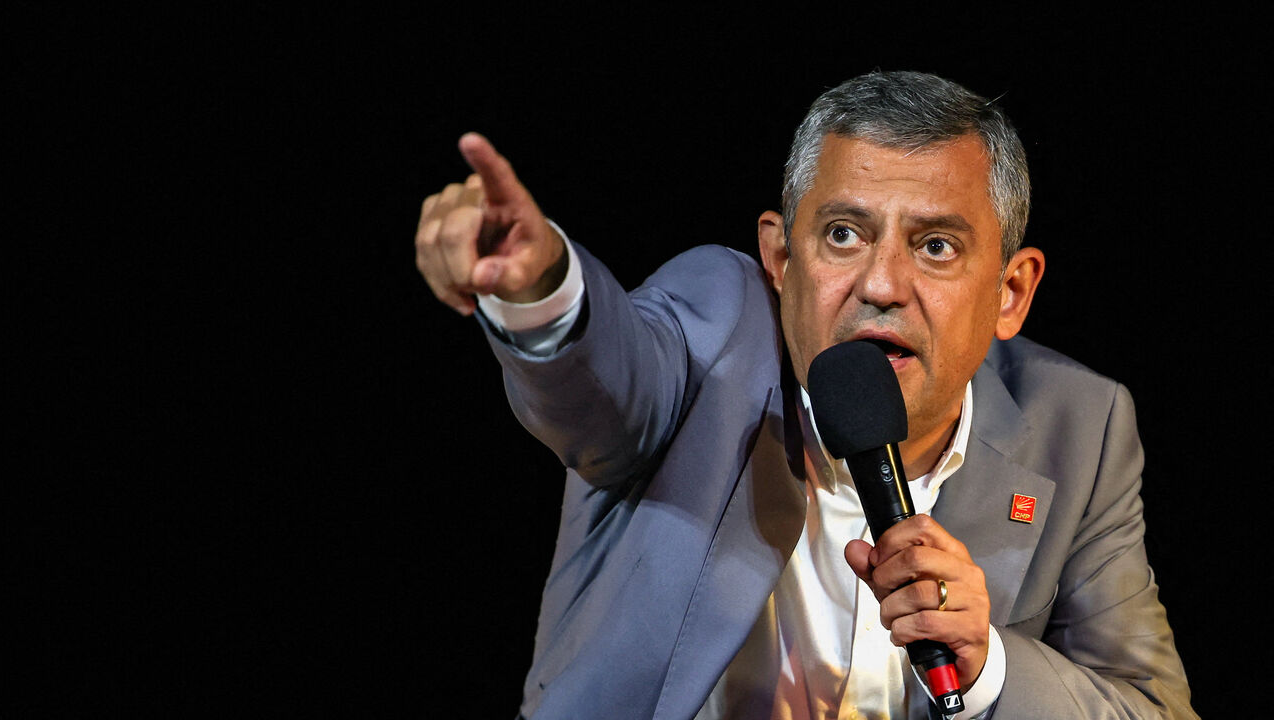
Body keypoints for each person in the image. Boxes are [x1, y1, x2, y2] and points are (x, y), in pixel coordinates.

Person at [414, 72, 1195, 719]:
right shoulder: (713, 328)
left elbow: (1152, 708)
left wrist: (988, 664)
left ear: (1010, 292)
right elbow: (604, 385)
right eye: (845, 235)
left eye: (935, 246)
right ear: (781, 258)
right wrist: (542, 288)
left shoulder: (1080, 426)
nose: (882, 285)